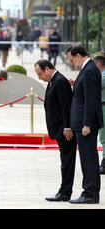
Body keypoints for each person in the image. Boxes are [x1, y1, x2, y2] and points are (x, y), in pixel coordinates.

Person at [34, 59, 77, 202]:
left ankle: (65, 192)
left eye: (40, 74)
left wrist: (67, 127)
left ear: (47, 69)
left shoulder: (59, 81)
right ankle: (64, 191)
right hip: (59, 128)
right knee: (65, 160)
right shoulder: (54, 81)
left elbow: (66, 107)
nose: (39, 77)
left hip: (64, 130)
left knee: (67, 161)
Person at [66, 45, 103, 204]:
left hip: (85, 124)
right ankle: (91, 192)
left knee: (88, 159)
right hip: (83, 123)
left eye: (72, 59)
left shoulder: (88, 70)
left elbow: (91, 99)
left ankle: (89, 193)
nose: (72, 63)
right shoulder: (87, 69)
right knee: (89, 159)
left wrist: (87, 124)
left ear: (79, 55)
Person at [92, 52, 105, 174]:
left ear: (98, 63)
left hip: (103, 106)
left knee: (103, 136)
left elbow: (94, 85)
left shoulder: (103, 75)